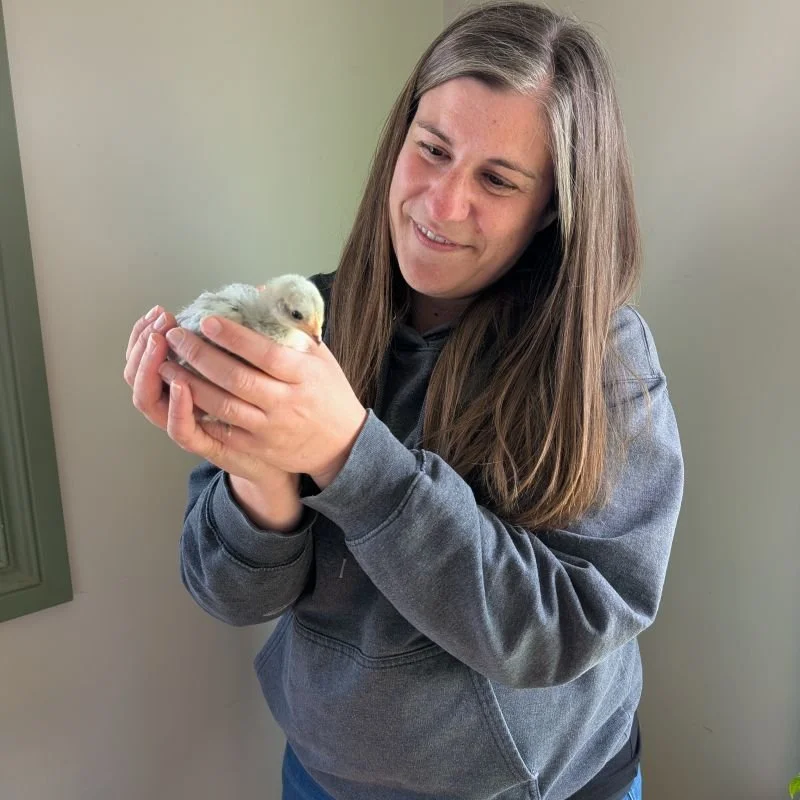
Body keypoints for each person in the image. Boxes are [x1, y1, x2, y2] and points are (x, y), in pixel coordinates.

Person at [123, 3, 683, 798]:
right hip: (323, 777)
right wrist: (257, 473)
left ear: (551, 208)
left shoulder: (603, 363)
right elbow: (231, 594)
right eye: (432, 150)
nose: (441, 205)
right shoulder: (306, 323)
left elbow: (564, 631)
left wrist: (345, 452)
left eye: (497, 179)